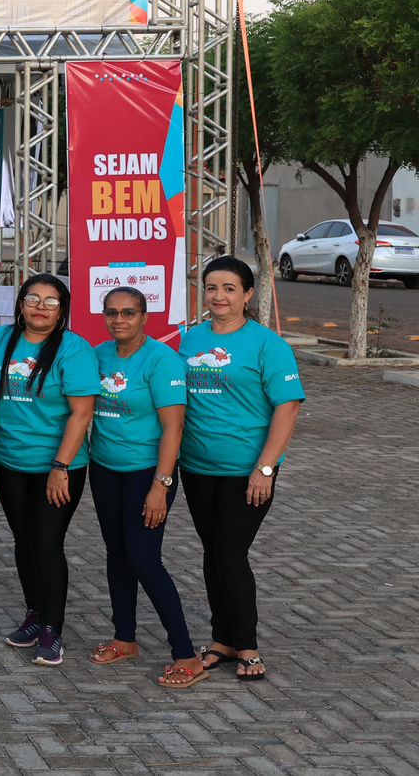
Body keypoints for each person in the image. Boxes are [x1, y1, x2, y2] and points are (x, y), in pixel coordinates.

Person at [180, 255, 305, 682]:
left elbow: (287, 408)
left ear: (248, 295)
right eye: (212, 287)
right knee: (213, 555)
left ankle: (247, 645)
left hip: (248, 471)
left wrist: (265, 469)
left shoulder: (268, 345)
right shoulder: (190, 340)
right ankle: (222, 641)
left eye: (230, 289)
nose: (219, 296)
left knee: (231, 554)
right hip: (196, 468)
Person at [88, 286, 203, 688]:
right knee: (117, 554)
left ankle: (186, 654)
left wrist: (161, 484)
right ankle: (125, 638)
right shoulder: (98, 355)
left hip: (147, 474)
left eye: (129, 313)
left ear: (144, 317)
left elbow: (174, 426)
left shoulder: (163, 361)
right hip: (104, 470)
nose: (119, 320)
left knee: (143, 558)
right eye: (112, 313)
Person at [0, 274, 99, 667]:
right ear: (20, 303)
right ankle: (34, 612)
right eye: (33, 298)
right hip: (9, 461)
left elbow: (82, 412)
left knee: (48, 544)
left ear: (62, 311)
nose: (40, 307)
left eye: (51, 302)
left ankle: (53, 627)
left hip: (58, 467)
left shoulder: (74, 350)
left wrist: (60, 465)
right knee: (23, 540)